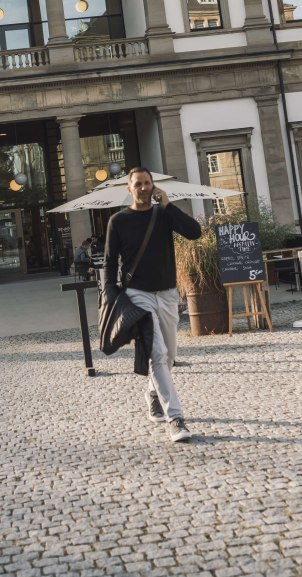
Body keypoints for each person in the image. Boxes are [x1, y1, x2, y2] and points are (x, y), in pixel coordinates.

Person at [103, 167, 202, 442]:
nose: (144, 188)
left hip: (168, 293)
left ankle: (151, 391)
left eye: (147, 183)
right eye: (138, 184)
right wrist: (111, 295)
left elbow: (195, 232)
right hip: (138, 295)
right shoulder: (118, 221)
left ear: (153, 186)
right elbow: (110, 262)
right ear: (129, 188)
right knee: (157, 353)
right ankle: (176, 419)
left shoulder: (164, 215)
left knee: (169, 355)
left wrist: (169, 205)